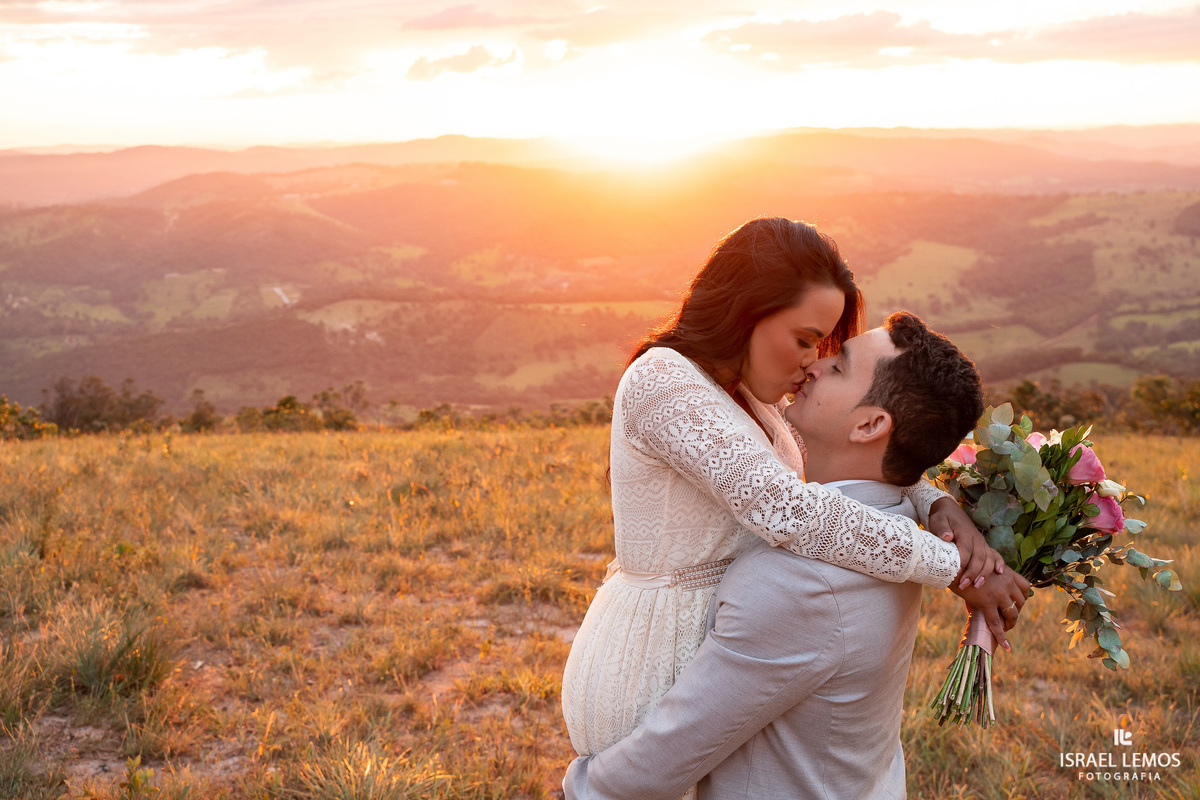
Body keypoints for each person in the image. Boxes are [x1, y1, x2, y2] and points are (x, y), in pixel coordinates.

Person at [561, 218, 1008, 766]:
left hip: (720, 668)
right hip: (649, 673)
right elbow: (786, 509)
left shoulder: (754, 392)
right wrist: (954, 569)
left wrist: (934, 502)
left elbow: (850, 447)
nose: (812, 361)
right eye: (803, 340)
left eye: (821, 344)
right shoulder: (665, 383)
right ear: (747, 312)